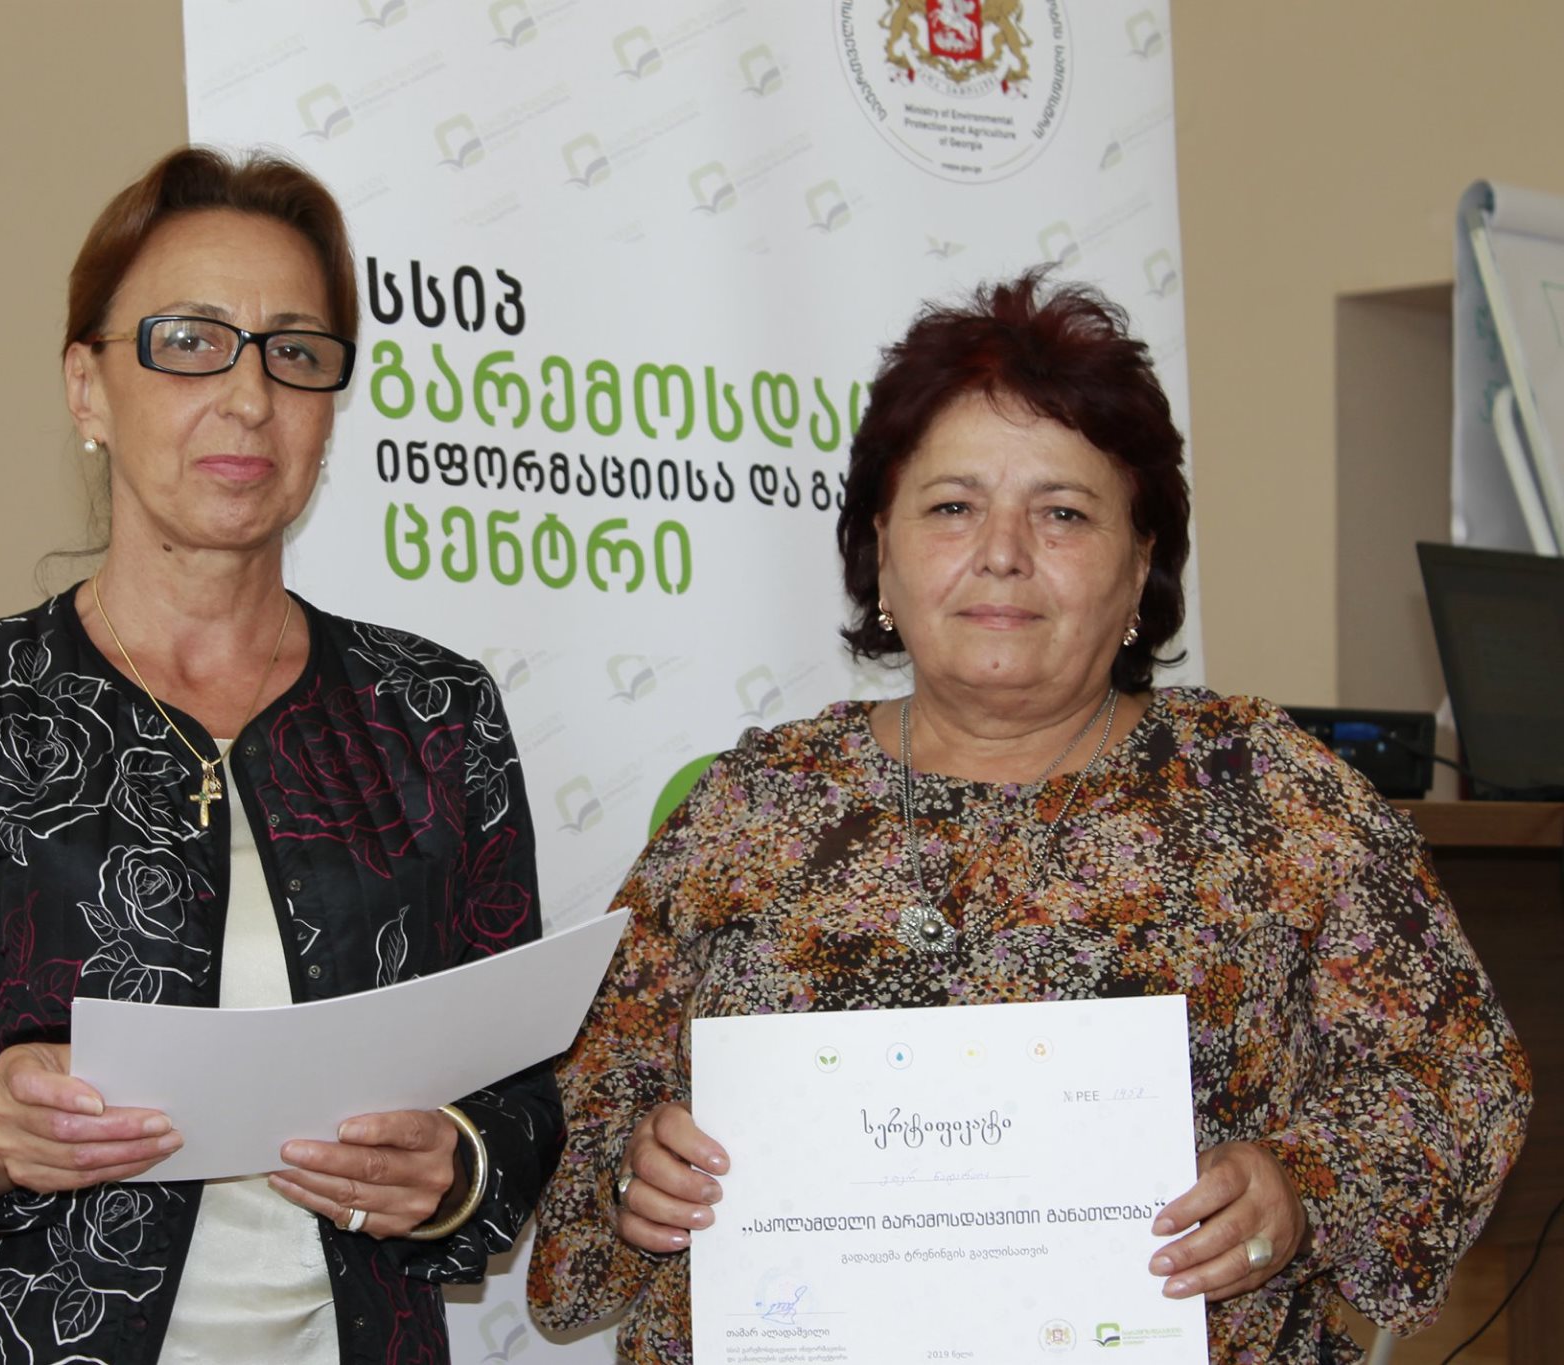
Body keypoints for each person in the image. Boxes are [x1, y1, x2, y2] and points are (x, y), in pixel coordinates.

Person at [526, 271, 1531, 1363]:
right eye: (952, 507)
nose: (1001, 552)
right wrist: (637, 1175)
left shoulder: (1268, 791)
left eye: (1062, 514)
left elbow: (1460, 1081)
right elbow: (588, 1098)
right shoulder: (752, 803)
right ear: (881, 550)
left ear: (1140, 565)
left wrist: (1299, 1188)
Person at [0, 146, 563, 1365]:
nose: (247, 396)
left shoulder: (432, 713)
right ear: (86, 389)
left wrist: (455, 1171)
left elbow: (518, 1098)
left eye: (293, 352)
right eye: (188, 341)